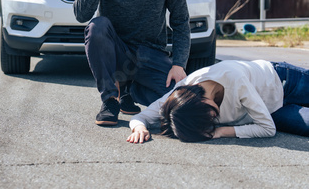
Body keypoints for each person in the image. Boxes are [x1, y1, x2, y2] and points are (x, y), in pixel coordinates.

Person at [127, 59, 309, 143]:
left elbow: (267, 130)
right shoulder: (180, 98)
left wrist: (221, 131)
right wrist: (139, 128)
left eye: (207, 117)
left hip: (284, 81)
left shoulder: (234, 79)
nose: (213, 119)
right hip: (272, 112)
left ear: (200, 100)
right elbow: (141, 117)